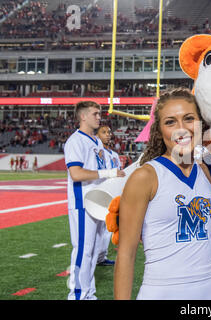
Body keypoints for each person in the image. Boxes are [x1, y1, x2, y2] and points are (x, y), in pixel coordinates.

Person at [114, 88, 211, 300]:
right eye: (170, 122)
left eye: (188, 119)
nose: (181, 129)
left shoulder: (203, 171)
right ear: (159, 131)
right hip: (163, 291)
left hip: (210, 289)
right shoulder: (146, 177)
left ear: (200, 123)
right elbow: (126, 254)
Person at [64, 101, 126, 300]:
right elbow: (76, 173)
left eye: (99, 113)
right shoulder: (75, 141)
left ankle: (88, 294)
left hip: (98, 201)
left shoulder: (96, 142)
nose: (99, 117)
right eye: (95, 113)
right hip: (83, 202)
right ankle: (77, 296)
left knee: (92, 252)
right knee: (83, 251)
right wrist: (109, 172)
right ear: (83, 116)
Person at [95, 125, 120, 267]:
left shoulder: (114, 155)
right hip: (100, 192)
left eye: (109, 132)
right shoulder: (98, 152)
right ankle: (95, 256)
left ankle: (101, 256)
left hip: (111, 192)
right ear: (97, 136)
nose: (108, 134)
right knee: (98, 228)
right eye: (103, 132)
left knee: (107, 227)